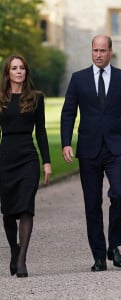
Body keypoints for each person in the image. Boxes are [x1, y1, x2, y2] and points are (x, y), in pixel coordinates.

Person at [60, 34, 121, 272]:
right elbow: (68, 113)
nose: (98, 54)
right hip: (88, 149)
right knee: (92, 203)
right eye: (95, 50)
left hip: (116, 148)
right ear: (91, 51)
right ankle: (98, 255)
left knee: (118, 194)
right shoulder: (78, 79)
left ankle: (114, 245)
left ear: (110, 52)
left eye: (102, 51)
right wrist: (66, 142)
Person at [0, 54, 51, 278]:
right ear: (8, 73)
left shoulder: (36, 98)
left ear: (26, 72)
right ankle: (14, 250)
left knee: (26, 208)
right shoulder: (0, 98)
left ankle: (22, 261)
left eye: (22, 68)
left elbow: (41, 131)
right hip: (6, 158)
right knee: (8, 213)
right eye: (14, 68)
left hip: (28, 158)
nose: (19, 71)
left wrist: (47, 161)